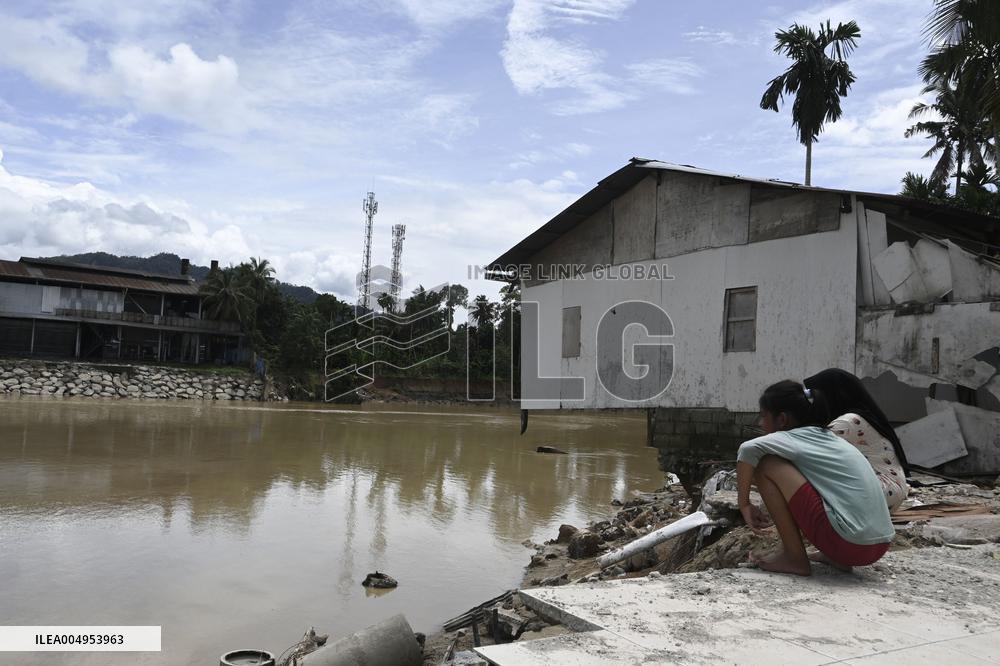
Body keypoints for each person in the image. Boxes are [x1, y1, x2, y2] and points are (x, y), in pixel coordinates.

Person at [737, 380, 894, 576]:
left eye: (763, 416)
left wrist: (744, 504)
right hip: (877, 546)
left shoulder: (794, 438)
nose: (761, 424)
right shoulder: (831, 440)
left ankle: (794, 557)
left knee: (766, 464)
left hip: (849, 543)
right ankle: (834, 557)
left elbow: (747, 449)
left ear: (782, 419)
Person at [804, 369, 910, 511]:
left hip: (884, 490)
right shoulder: (859, 415)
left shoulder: (849, 421)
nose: (812, 403)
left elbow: (808, 451)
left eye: (814, 396)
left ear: (831, 394)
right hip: (890, 490)